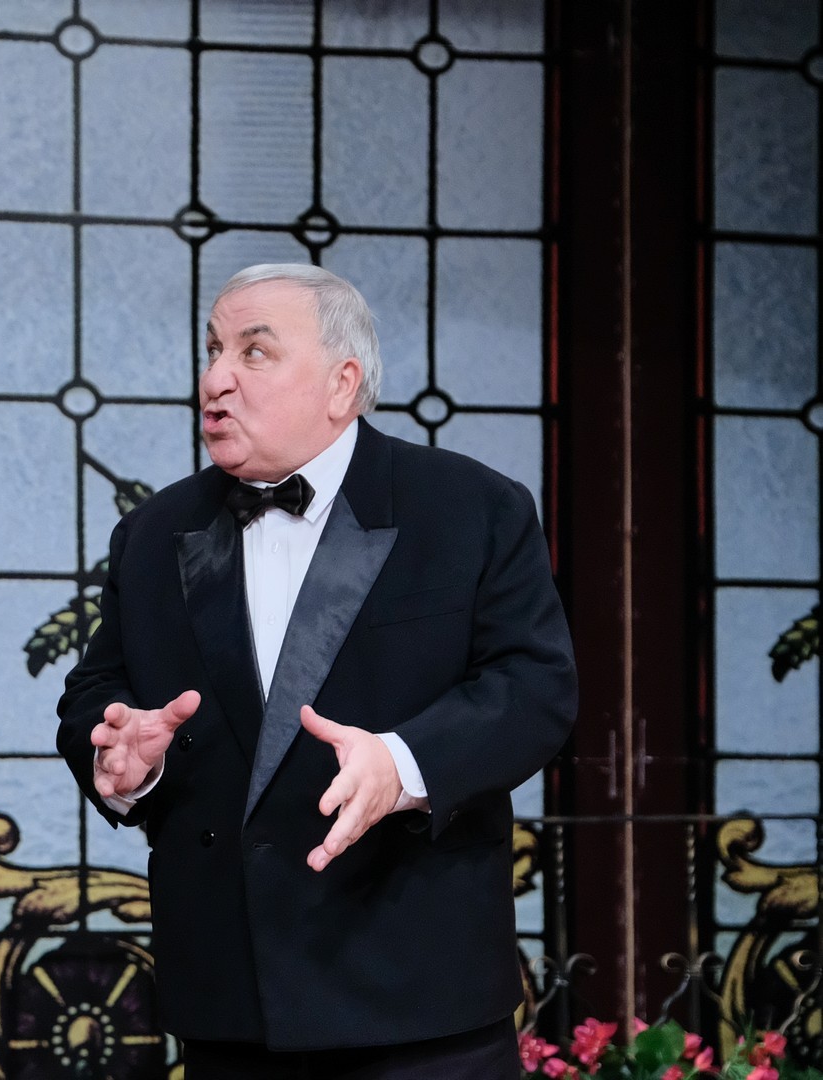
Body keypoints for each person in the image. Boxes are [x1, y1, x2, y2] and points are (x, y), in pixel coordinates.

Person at [56, 263, 577, 1079]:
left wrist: (403, 764)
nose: (216, 379)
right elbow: (97, 692)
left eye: (254, 352)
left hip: (419, 1000)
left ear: (343, 384)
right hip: (229, 1007)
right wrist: (122, 758)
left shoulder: (472, 507)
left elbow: (535, 688)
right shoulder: (153, 533)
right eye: (213, 349)